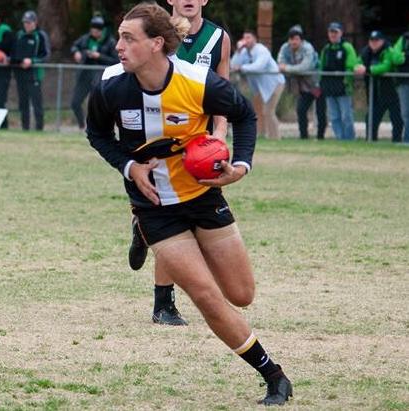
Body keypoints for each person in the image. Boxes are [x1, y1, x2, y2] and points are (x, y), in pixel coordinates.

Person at [87, 3, 292, 406]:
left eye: (129, 38)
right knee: (205, 294)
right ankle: (274, 376)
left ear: (157, 44)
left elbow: (245, 116)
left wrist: (241, 166)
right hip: (155, 208)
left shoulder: (197, 83)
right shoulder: (110, 86)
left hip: (202, 197)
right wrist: (129, 167)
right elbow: (97, 134)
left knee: (241, 293)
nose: (118, 46)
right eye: (119, 36)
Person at [128, 0, 232, 327]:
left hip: (199, 144)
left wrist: (219, 133)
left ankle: (142, 228)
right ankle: (163, 304)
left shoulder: (219, 38)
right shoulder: (154, 32)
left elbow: (223, 92)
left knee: (184, 223)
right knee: (174, 223)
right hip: (160, 136)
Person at [231, 30, 285, 139]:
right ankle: (264, 135)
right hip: (261, 87)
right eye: (244, 38)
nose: (246, 41)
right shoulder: (244, 52)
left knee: (269, 111)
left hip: (275, 84)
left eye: (248, 38)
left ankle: (275, 137)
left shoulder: (261, 50)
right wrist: (238, 51)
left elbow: (258, 66)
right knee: (261, 111)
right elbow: (233, 64)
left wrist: (242, 68)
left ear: (255, 39)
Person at [277, 25, 327, 139]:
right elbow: (280, 63)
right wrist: (289, 68)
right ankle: (303, 136)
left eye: (296, 39)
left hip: (317, 85)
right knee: (301, 110)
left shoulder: (308, 48)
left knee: (320, 112)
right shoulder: (285, 47)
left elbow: (305, 67)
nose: (293, 42)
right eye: (291, 39)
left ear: (301, 40)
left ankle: (320, 137)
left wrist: (287, 68)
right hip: (303, 87)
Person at [70, 16, 118, 130]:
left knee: (96, 104)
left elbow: (116, 61)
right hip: (84, 75)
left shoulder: (110, 42)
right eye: (92, 30)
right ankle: (81, 126)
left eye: (97, 31)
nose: (94, 33)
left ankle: (97, 127)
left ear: (102, 31)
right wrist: (76, 52)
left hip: (100, 78)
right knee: (75, 102)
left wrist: (99, 56)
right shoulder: (86, 38)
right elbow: (74, 46)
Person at [354, 31, 403, 142]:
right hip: (375, 93)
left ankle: (396, 141)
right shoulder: (366, 51)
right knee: (371, 119)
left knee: (397, 119)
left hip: (392, 92)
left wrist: (368, 69)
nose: (374, 43)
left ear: (382, 41)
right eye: (372, 40)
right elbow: (356, 62)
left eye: (377, 40)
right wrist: (357, 67)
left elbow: (385, 66)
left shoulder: (389, 50)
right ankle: (371, 140)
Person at [10, 11, 50, 131]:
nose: (27, 25)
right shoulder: (19, 35)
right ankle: (25, 128)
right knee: (23, 103)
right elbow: (14, 52)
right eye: (25, 22)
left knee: (36, 103)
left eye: (29, 22)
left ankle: (39, 128)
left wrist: (32, 61)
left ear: (35, 22)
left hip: (34, 75)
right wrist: (14, 61)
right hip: (20, 74)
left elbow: (46, 55)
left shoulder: (40, 36)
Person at [319, 22, 358, 140]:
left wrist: (347, 81)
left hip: (343, 86)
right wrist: (320, 83)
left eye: (335, 32)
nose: (333, 35)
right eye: (331, 32)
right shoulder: (326, 49)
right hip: (329, 87)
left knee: (346, 115)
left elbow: (351, 65)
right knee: (334, 116)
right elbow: (321, 66)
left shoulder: (347, 47)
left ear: (341, 33)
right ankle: (340, 138)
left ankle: (349, 139)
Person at [391, 31, 409, 143]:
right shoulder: (403, 39)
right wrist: (405, 57)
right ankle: (407, 140)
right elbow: (396, 58)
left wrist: (404, 55)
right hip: (404, 82)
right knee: (405, 113)